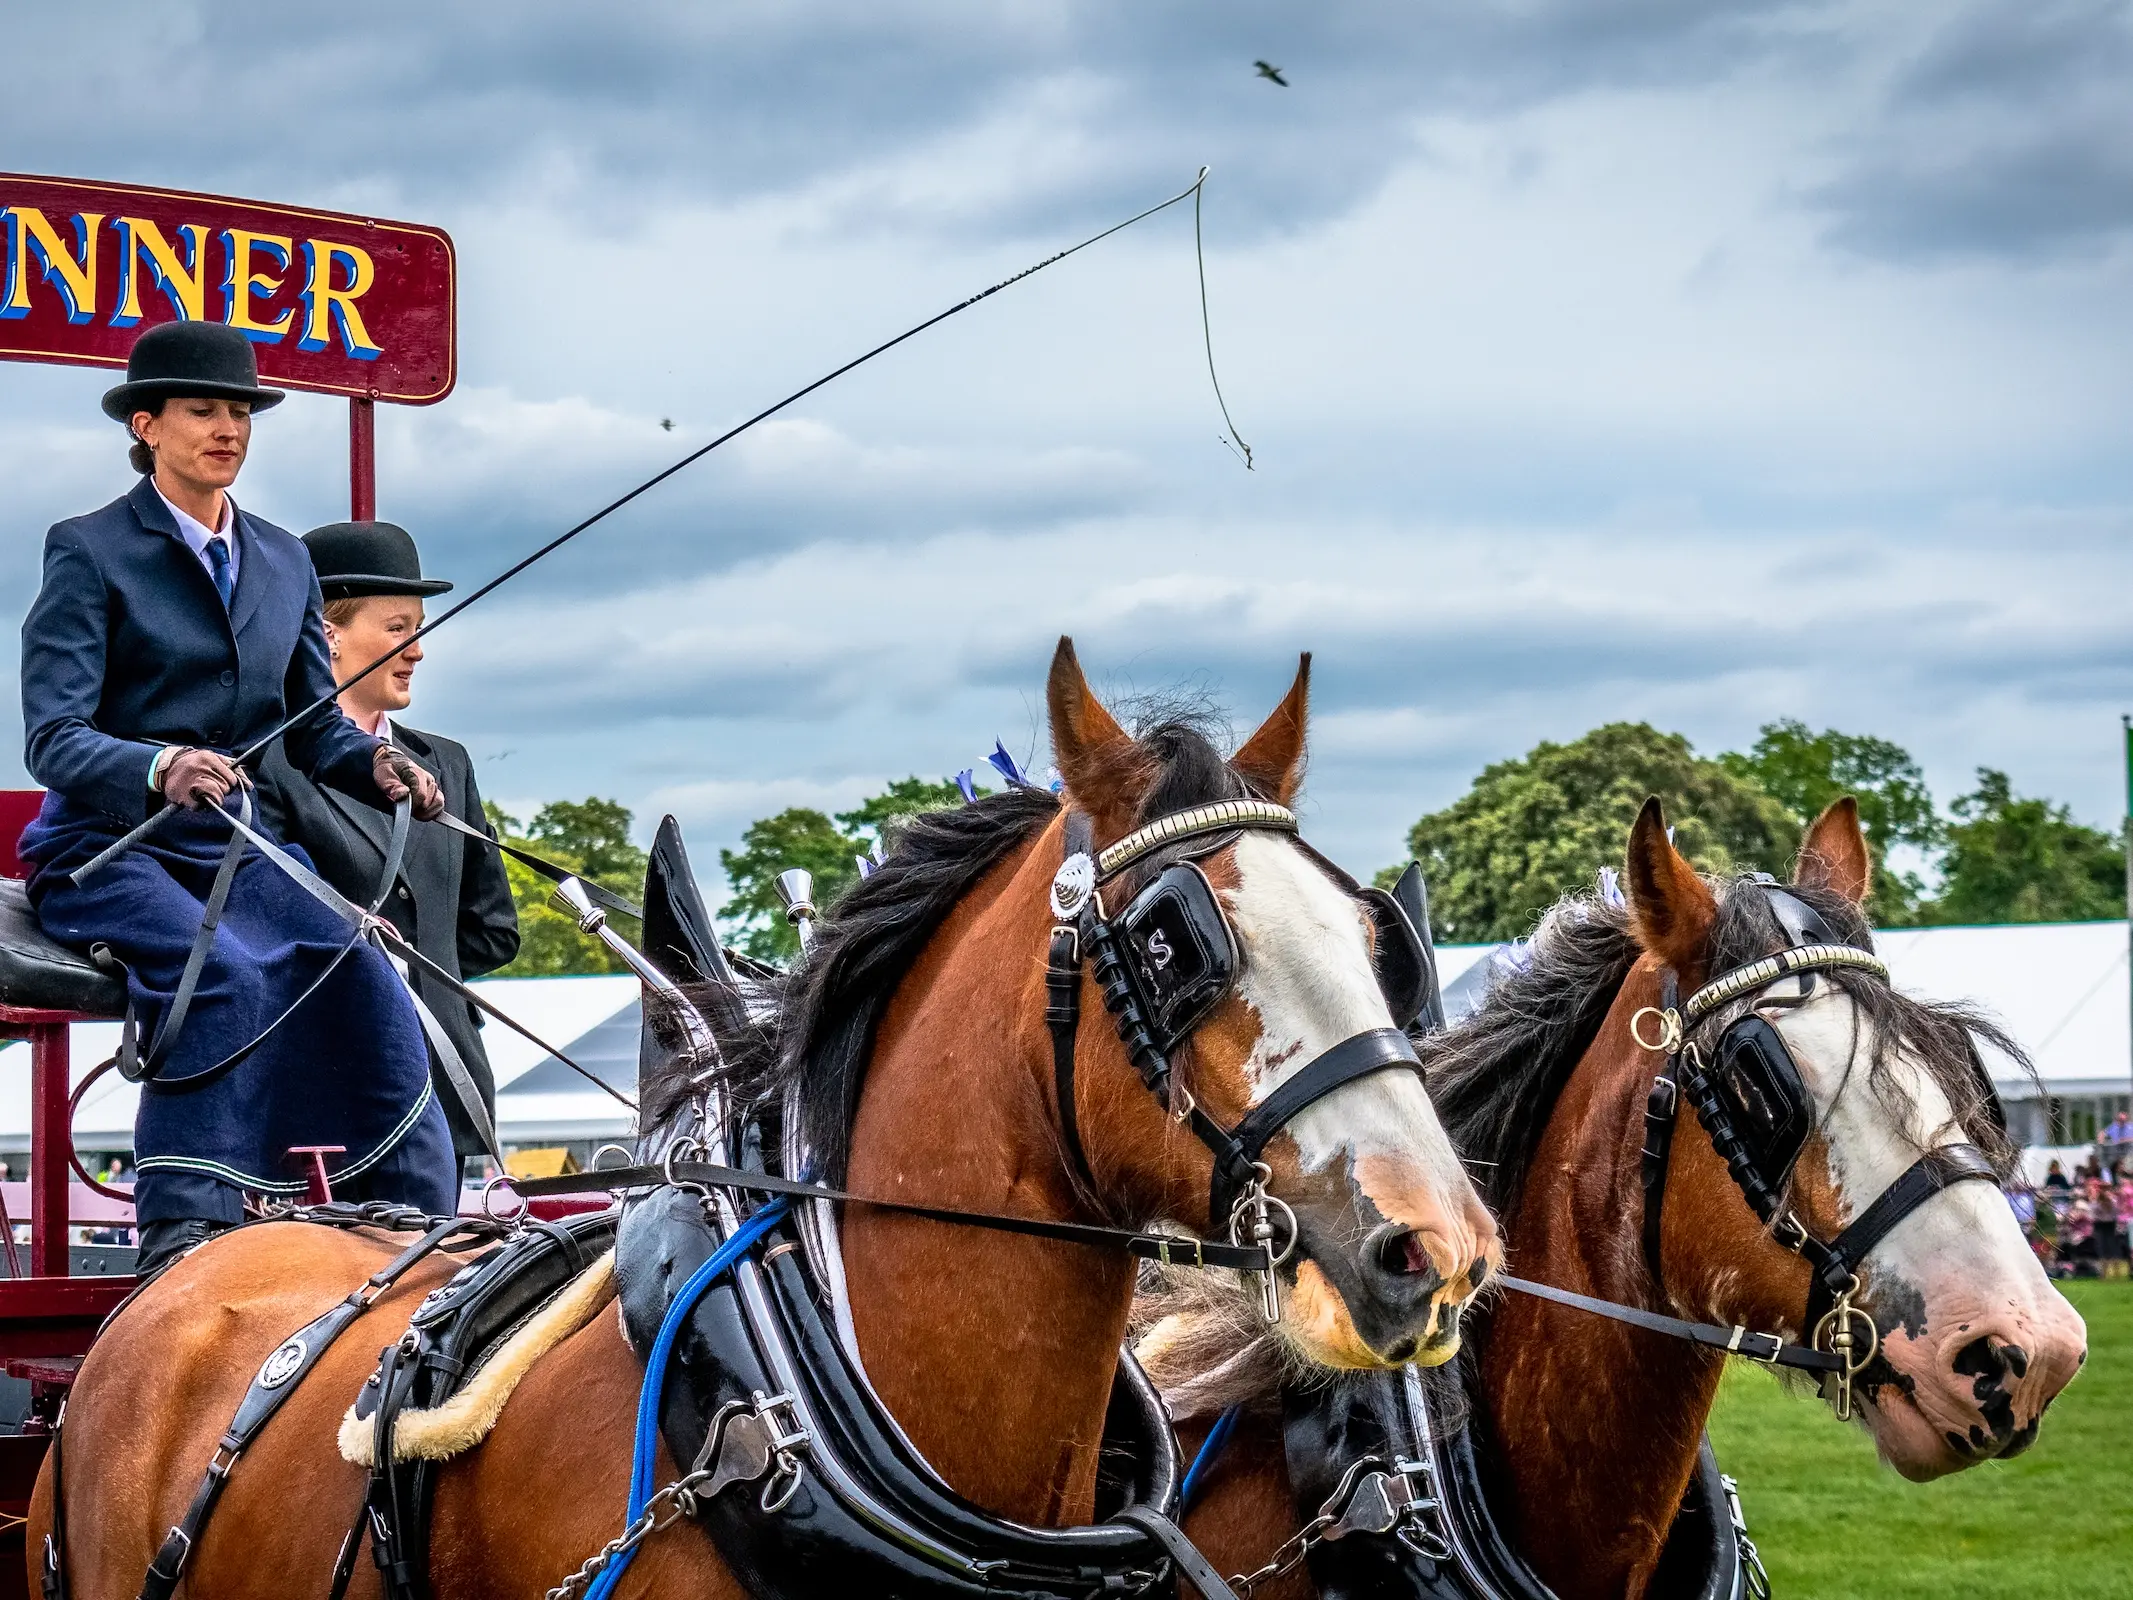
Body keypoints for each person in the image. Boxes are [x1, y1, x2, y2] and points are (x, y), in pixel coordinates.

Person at [17, 321, 454, 1276]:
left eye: (240, 412)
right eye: (202, 410)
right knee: (219, 971)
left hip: (237, 846)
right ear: (147, 424)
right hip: (107, 849)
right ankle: (185, 1226)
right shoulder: (89, 550)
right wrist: (157, 765)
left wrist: (373, 768)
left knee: (356, 954)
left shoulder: (286, 559)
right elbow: (51, 737)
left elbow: (314, 729)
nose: (228, 428)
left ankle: (407, 1210)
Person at [254, 521, 518, 1170]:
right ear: (327, 635)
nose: (418, 649)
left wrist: (432, 982)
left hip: (450, 1094)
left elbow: (492, 932)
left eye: (419, 627)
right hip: (325, 1093)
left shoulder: (446, 764)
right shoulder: (270, 765)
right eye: (398, 627)